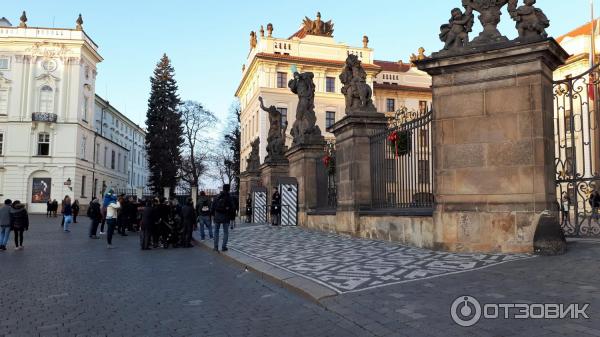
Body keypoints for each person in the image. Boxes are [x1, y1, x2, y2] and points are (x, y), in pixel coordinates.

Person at [212, 184, 235, 252]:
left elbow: (213, 206)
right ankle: (223, 247)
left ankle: (215, 247)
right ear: (228, 189)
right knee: (226, 232)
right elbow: (233, 207)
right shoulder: (229, 197)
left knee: (216, 231)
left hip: (217, 216)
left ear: (223, 188)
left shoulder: (217, 196)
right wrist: (231, 216)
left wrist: (213, 215)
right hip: (226, 216)